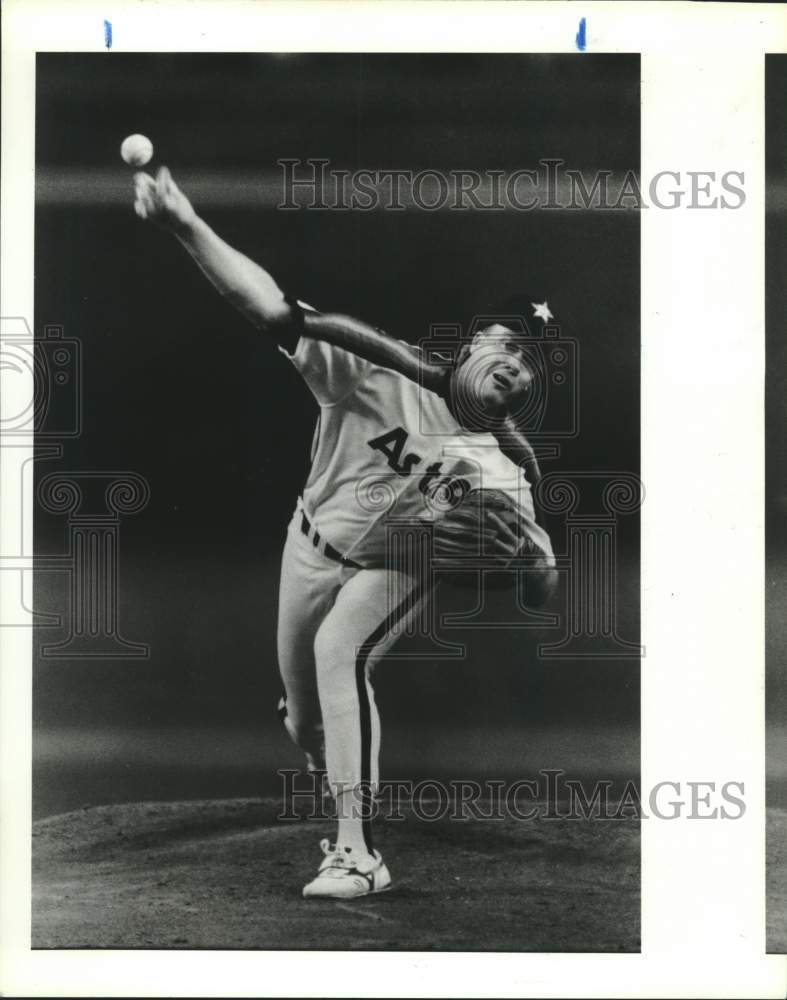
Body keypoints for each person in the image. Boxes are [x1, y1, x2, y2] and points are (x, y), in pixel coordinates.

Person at [133, 166, 557, 899]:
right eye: (507, 345)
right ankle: (316, 736)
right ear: (468, 348)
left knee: (341, 652)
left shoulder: (507, 470)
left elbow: (538, 590)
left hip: (397, 566)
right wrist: (183, 223)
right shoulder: (380, 371)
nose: (515, 364)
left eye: (529, 362)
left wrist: (536, 562)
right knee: (306, 723)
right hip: (311, 545)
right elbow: (269, 309)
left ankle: (357, 853)